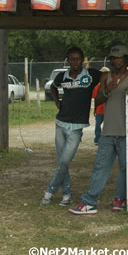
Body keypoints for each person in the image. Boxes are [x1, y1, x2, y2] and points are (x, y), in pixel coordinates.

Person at [69, 44, 128, 215]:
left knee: (125, 168)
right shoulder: (105, 77)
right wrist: (107, 91)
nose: (116, 60)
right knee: (100, 167)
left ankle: (120, 199)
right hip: (108, 131)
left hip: (127, 132)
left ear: (126, 59)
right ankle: (90, 202)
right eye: (113, 58)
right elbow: (99, 100)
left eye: (119, 57)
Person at [40, 47, 100, 206]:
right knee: (61, 161)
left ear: (83, 60)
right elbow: (52, 87)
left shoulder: (91, 75)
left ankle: (50, 191)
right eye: (72, 59)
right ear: (68, 60)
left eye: (78, 58)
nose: (75, 62)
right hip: (60, 123)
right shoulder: (62, 76)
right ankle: (66, 194)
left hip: (77, 126)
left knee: (65, 161)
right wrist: (57, 102)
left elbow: (108, 77)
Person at [92, 66, 110, 144]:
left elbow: (95, 99)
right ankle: (105, 139)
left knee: (98, 125)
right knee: (107, 125)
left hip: (99, 109)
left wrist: (95, 109)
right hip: (107, 109)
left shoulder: (96, 87)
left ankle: (97, 139)